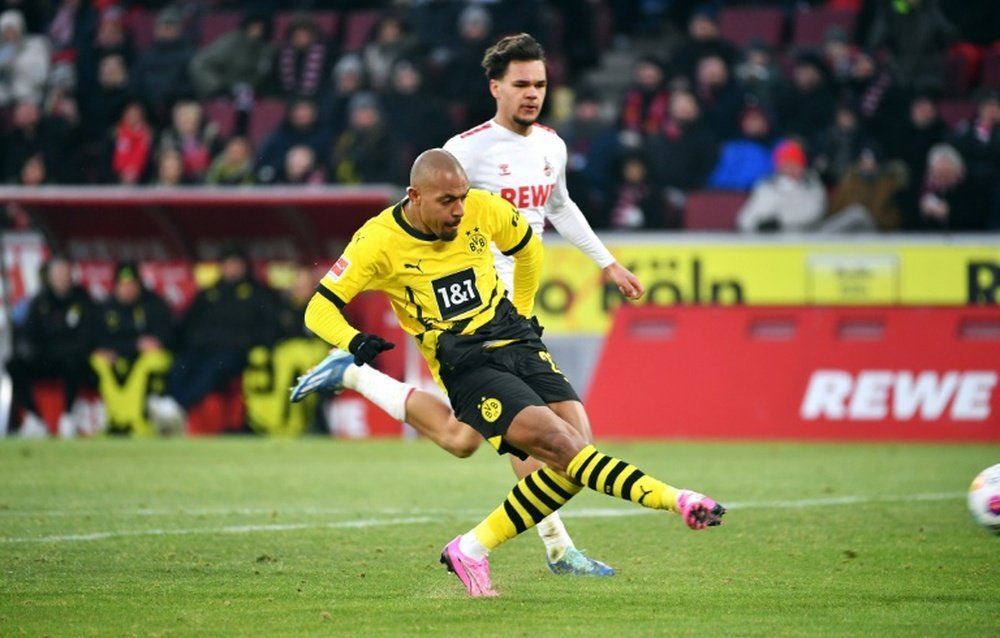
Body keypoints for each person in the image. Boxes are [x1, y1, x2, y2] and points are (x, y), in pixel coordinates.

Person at [299, 148, 726, 597]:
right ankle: (676, 499)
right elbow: (318, 308)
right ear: (415, 196)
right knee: (556, 446)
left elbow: (528, 250)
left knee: (569, 453)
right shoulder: (377, 241)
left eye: (462, 197)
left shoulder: (483, 209)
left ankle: (473, 548)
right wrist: (353, 340)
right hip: (465, 361)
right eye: (447, 201)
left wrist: (521, 313)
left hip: (513, 338)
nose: (459, 210)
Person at [294, 33, 645, 578]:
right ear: (496, 88)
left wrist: (605, 263)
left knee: (465, 439)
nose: (533, 94)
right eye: (522, 84)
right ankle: (557, 549)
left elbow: (560, 207)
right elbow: (427, 208)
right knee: (540, 442)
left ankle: (357, 378)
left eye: (541, 84)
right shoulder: (465, 151)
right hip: (463, 316)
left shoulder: (553, 145)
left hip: (510, 310)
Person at [6, 255, 95, 438]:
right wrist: (29, 351)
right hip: (45, 358)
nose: (62, 278)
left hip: (72, 358)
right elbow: (28, 334)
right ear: (50, 276)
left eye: (65, 273)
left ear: (71, 275)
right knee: (13, 364)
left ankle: (68, 417)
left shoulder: (82, 299)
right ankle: (35, 419)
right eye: (58, 274)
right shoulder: (40, 300)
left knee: (74, 363)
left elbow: (88, 337)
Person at [89, 262, 174, 435]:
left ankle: (137, 420)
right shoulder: (106, 308)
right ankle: (115, 419)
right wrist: (132, 346)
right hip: (118, 359)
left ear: (139, 285)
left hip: (143, 362)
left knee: (149, 362)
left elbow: (167, 335)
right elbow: (96, 340)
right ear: (116, 286)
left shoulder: (153, 304)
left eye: (131, 285)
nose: (127, 289)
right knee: (99, 361)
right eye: (123, 285)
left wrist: (150, 344)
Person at [736, 139, 827, 232]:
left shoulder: (811, 186)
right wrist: (759, 224)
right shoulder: (767, 186)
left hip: (801, 238)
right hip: (765, 239)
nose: (788, 167)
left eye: (793, 162)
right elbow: (747, 217)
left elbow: (813, 213)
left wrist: (779, 222)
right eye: (784, 163)